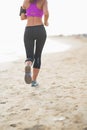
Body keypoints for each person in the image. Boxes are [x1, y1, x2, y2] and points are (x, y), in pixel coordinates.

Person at [19, 0, 49, 87]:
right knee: (38, 56)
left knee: (29, 57)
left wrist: (30, 14)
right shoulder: (43, 1)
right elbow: (46, 13)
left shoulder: (25, 2)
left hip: (29, 30)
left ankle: (28, 64)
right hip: (40, 29)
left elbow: (22, 17)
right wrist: (46, 22)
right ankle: (34, 81)